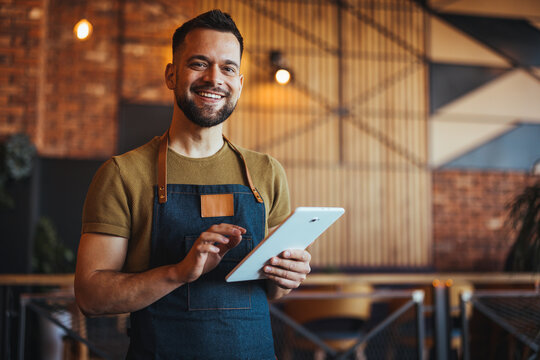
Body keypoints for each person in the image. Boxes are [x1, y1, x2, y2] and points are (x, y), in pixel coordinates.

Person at [74, 9, 312, 359]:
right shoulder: (123, 174)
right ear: (172, 75)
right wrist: (177, 272)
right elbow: (91, 297)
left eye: (228, 68)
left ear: (239, 84)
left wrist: (286, 277)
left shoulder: (267, 173)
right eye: (199, 63)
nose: (214, 78)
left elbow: (271, 291)